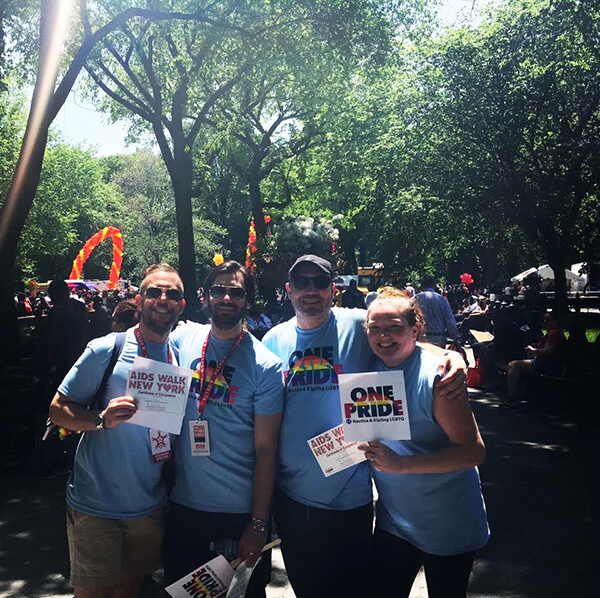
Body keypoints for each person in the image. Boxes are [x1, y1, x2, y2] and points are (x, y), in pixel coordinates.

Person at [262, 255, 468, 598]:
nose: (310, 289)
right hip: (294, 497)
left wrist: (450, 355)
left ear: (334, 289)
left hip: (351, 495)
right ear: (289, 290)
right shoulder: (273, 340)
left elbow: (403, 340)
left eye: (320, 281)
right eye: (302, 282)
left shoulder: (359, 324)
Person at [49, 263, 186, 598]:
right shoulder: (107, 349)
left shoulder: (179, 358)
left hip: (148, 507)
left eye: (172, 293)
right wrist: (100, 420)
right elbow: (57, 411)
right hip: (96, 506)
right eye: (154, 291)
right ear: (139, 300)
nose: (162, 298)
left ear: (182, 305)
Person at [359, 287, 489, 598]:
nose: (383, 336)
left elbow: (474, 451)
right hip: (394, 523)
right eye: (375, 328)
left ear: (414, 329)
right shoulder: (369, 369)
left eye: (394, 328)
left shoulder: (439, 379)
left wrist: (401, 465)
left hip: (448, 524)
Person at [164, 261, 284, 598]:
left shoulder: (265, 365)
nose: (226, 297)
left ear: (247, 300)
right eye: (219, 290)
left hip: (238, 513)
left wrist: (259, 524)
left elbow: (266, 449)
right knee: (182, 594)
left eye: (236, 291)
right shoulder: (184, 337)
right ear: (205, 296)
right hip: (185, 507)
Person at [506, 310, 567, 406]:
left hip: (550, 364)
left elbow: (548, 351)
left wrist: (532, 350)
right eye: (544, 320)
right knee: (517, 363)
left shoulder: (554, 333)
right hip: (546, 362)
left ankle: (512, 397)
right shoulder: (552, 333)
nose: (545, 322)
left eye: (548, 320)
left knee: (513, 365)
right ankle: (522, 394)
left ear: (556, 321)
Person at [415, 275, 461, 347]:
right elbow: (450, 321)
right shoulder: (442, 300)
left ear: (422, 285)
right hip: (439, 338)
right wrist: (456, 339)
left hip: (421, 338)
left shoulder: (415, 299)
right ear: (434, 285)